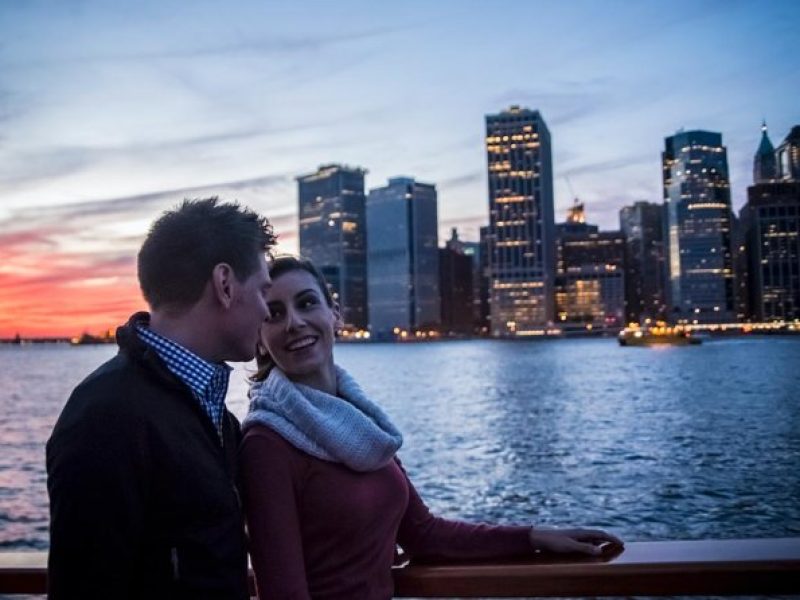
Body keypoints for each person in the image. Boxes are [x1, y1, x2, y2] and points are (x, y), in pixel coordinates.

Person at [239, 255, 623, 600]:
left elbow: (424, 534)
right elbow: (283, 594)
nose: (294, 323)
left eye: (307, 303)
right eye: (273, 314)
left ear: (334, 315)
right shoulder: (266, 443)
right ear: (259, 337)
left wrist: (535, 536)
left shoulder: (361, 424)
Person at [46, 197, 276, 599]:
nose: (266, 311)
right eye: (262, 291)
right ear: (225, 285)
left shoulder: (213, 415)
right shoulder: (105, 417)